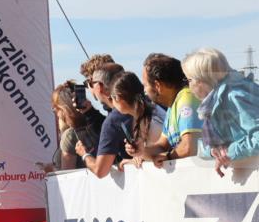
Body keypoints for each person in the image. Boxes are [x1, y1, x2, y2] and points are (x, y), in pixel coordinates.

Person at [182, 48, 259, 176]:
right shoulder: (214, 104)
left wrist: (229, 152)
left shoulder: (235, 96)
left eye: (189, 80)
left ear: (201, 80)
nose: (188, 86)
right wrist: (215, 151)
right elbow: (206, 147)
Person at [135, 53, 202, 166]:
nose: (145, 91)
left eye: (145, 85)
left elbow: (189, 147)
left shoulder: (187, 98)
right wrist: (141, 151)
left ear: (157, 85)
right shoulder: (173, 104)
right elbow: (162, 146)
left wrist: (168, 157)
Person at [76, 63, 132, 178]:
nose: (89, 87)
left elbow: (100, 171)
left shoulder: (113, 120)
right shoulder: (145, 104)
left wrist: (84, 154)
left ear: (100, 87)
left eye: (91, 83)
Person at [107, 72, 165, 169]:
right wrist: (136, 156)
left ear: (118, 97)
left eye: (111, 98)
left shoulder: (153, 120)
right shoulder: (144, 113)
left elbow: (161, 153)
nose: (111, 103)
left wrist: (139, 154)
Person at [51, 82, 104, 170]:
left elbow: (68, 175)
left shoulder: (70, 135)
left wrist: (51, 170)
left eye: (55, 108)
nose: (56, 113)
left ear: (63, 109)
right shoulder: (98, 125)